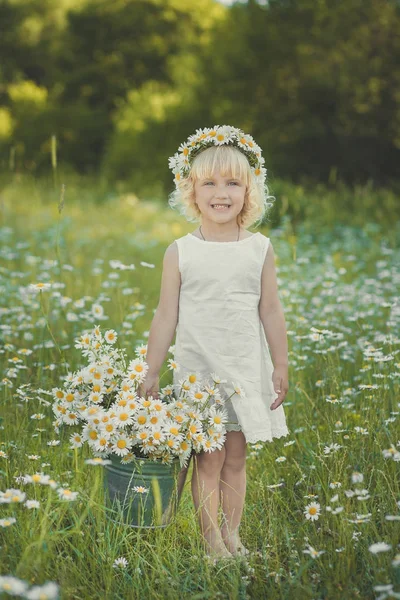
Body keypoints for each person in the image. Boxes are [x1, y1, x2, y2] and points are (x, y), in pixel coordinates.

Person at [138, 125, 290, 561]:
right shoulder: (182, 251)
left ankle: (233, 536)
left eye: (232, 183)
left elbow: (271, 310)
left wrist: (280, 364)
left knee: (237, 457)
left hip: (244, 367)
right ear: (191, 191)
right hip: (198, 369)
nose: (221, 193)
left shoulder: (259, 248)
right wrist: (151, 368)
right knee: (209, 457)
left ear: (249, 191)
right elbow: (166, 314)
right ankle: (211, 544)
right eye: (209, 183)